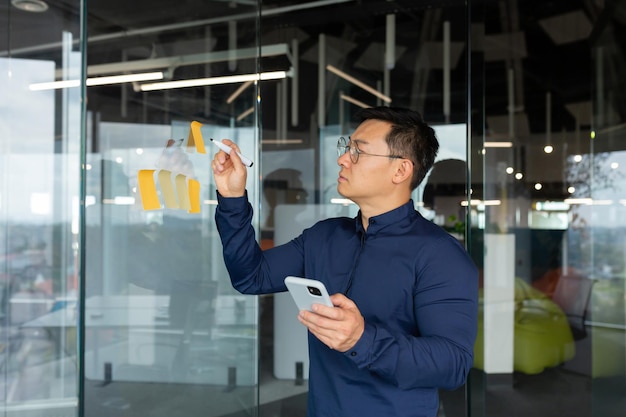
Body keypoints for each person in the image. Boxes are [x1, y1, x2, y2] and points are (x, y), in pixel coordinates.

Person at [211, 106, 478, 417]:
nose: (342, 158)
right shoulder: (324, 237)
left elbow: (453, 365)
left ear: (401, 171)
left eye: (358, 151)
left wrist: (362, 339)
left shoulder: (440, 254)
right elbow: (250, 276)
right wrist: (232, 198)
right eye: (346, 147)